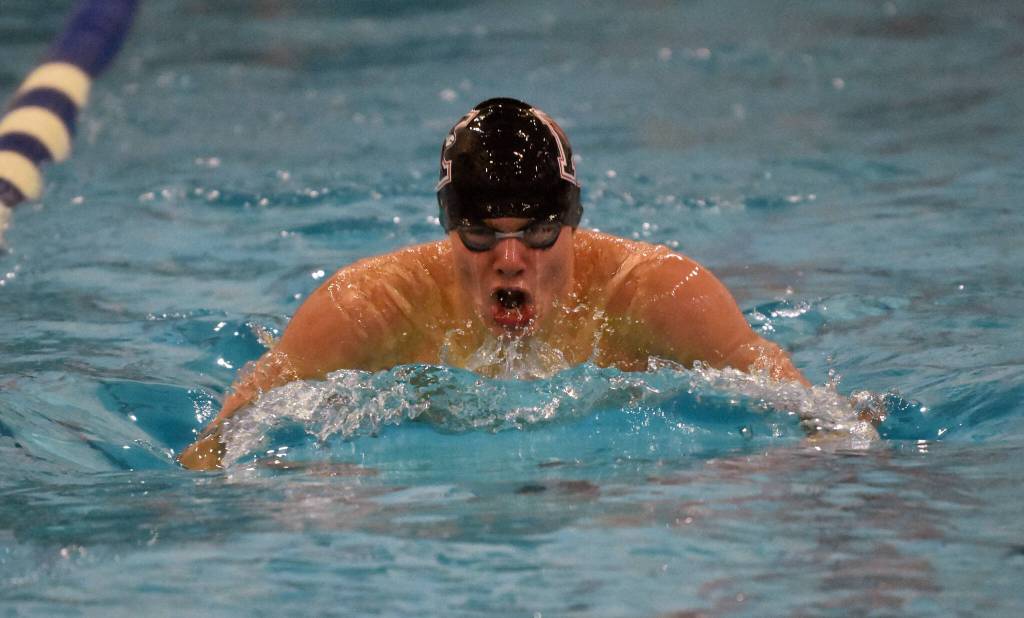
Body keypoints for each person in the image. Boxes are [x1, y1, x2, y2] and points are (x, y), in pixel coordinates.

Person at [178, 97, 810, 470]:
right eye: (482, 234)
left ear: (571, 225)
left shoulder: (654, 293)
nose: (510, 259)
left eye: (536, 233)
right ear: (449, 229)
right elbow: (222, 442)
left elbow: (810, 413)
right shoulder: (370, 308)